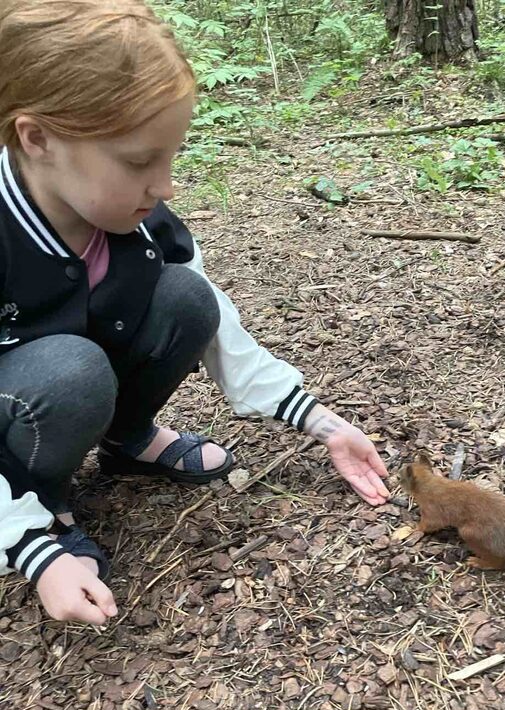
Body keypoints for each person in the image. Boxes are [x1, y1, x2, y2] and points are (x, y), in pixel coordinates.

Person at [0, 0, 389, 626]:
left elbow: (217, 327)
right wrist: (28, 544)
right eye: (137, 161)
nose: (165, 185)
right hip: (20, 416)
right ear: (37, 138)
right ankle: (39, 500)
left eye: (171, 156)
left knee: (185, 296)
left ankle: (126, 441)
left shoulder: (136, 217)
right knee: (67, 370)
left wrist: (321, 423)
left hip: (78, 384)